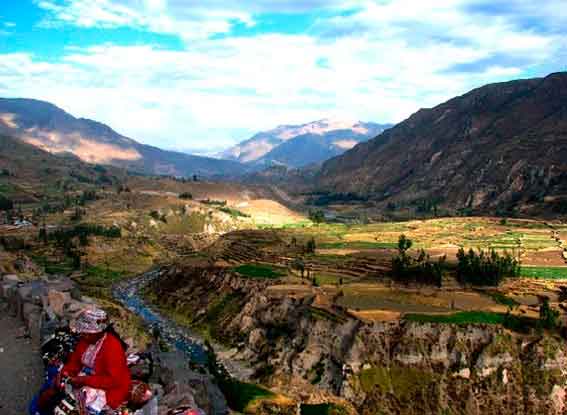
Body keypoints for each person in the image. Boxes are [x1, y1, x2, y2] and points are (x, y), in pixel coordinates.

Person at [59, 308, 132, 414]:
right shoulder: (86, 340)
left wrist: (83, 380)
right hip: (90, 377)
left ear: (100, 332)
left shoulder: (113, 348)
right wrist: (67, 372)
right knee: (55, 386)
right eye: (84, 332)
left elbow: (113, 380)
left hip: (110, 387)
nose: (84, 335)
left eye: (88, 333)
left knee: (78, 406)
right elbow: (75, 361)